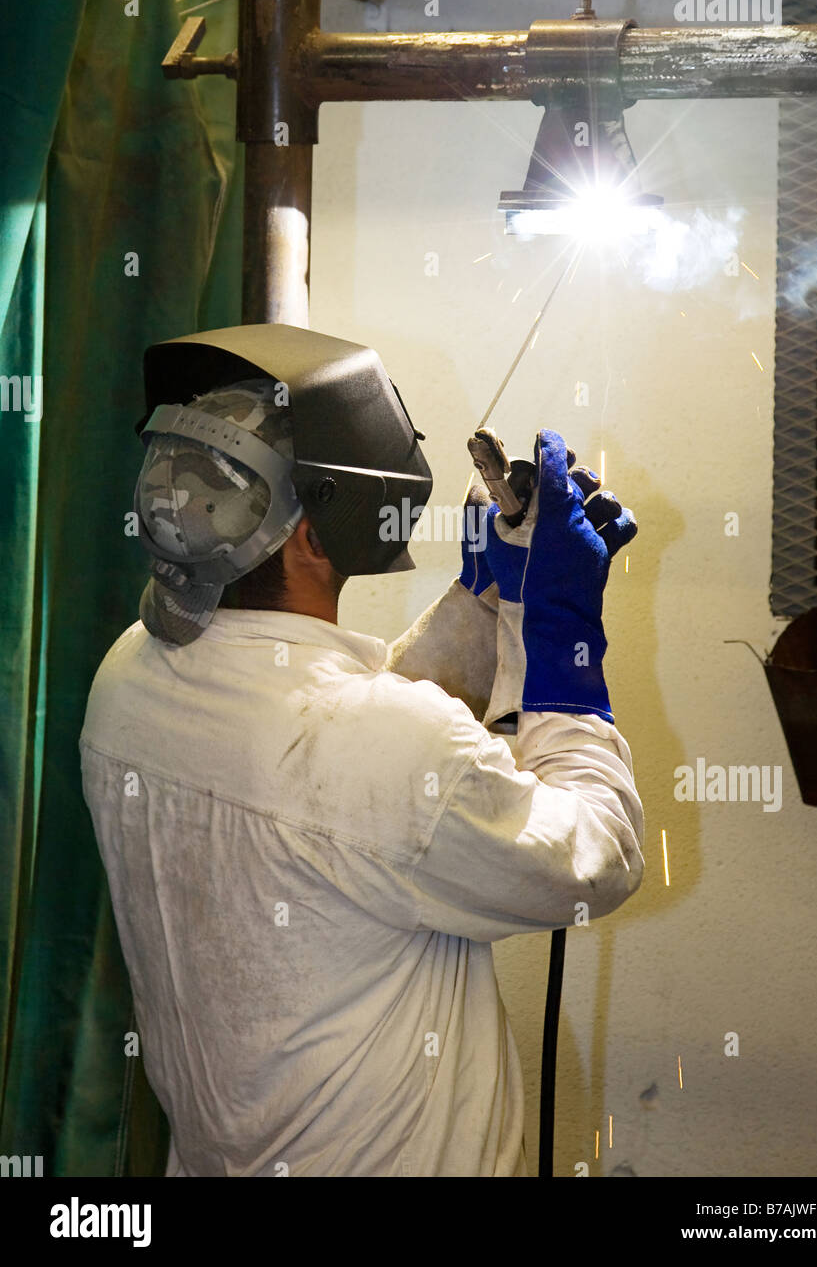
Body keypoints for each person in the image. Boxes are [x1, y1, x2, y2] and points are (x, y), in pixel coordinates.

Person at [79, 322, 643, 1177]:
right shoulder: (379, 750)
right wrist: (563, 643)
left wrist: (487, 601)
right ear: (313, 535)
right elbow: (594, 860)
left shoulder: (130, 675)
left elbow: (361, 766)